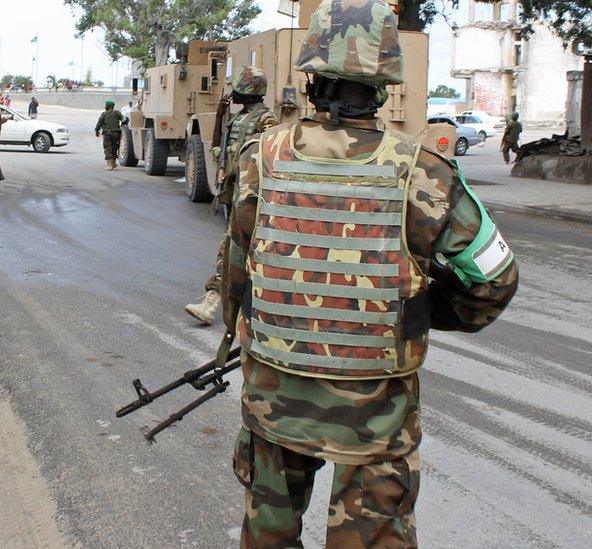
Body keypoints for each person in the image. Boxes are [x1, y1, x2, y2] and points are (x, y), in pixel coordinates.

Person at [223, 1, 519, 546]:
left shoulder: (259, 159)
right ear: (384, 86)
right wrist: (422, 312)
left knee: (267, 535)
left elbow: (237, 269)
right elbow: (494, 278)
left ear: (309, 79)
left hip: (273, 399)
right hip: (376, 415)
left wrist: (238, 336)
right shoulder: (421, 170)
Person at [185, 66, 276, 326]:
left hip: (252, 197)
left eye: (236, 88)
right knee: (239, 249)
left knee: (230, 248)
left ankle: (212, 303)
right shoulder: (237, 119)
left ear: (247, 90)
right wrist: (219, 116)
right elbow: (217, 150)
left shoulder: (265, 120)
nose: (231, 93)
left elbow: (265, 156)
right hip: (237, 194)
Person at [94, 100, 124, 171]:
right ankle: (113, 163)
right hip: (116, 133)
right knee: (114, 147)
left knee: (108, 148)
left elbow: (99, 123)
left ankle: (110, 165)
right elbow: (124, 120)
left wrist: (96, 131)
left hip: (107, 134)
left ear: (108, 106)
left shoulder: (104, 114)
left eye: (106, 105)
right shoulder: (117, 113)